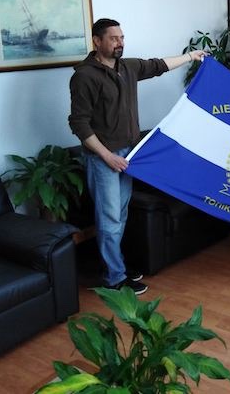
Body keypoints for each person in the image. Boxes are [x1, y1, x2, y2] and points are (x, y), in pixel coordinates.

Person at [69, 18, 206, 295]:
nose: (120, 43)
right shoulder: (84, 76)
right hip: (104, 159)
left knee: (120, 215)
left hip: (129, 155)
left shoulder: (127, 67)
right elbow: (79, 124)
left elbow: (158, 65)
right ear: (97, 41)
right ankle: (114, 278)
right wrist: (107, 156)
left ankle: (115, 266)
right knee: (109, 219)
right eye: (113, 38)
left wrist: (191, 56)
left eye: (121, 37)